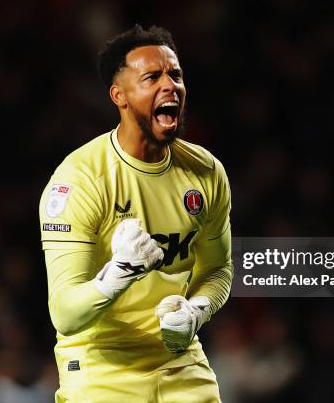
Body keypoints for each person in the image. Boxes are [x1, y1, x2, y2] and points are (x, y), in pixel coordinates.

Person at [39, 24, 233, 403]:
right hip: (101, 366)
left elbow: (219, 269)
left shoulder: (206, 172)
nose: (170, 85)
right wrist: (119, 273)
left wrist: (195, 311)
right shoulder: (80, 180)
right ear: (120, 96)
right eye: (152, 77)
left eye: (175, 75)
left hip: (178, 360)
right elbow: (64, 314)